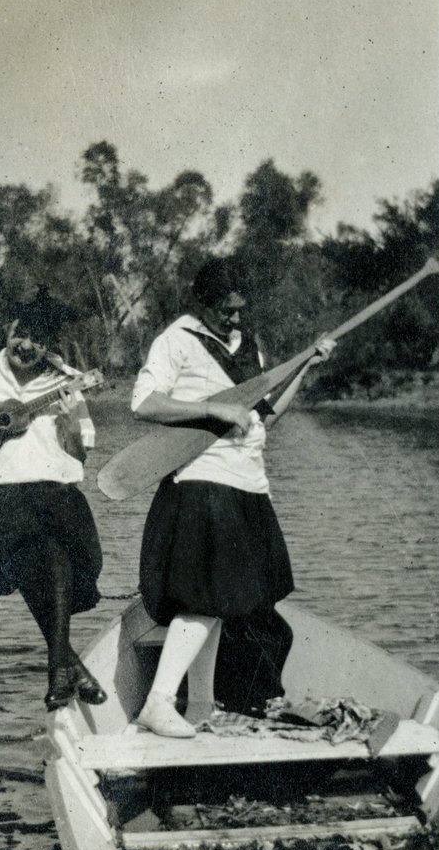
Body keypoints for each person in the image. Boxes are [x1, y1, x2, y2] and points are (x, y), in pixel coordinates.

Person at [131, 256, 335, 738]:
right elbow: (143, 403)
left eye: (241, 309)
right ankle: (158, 702)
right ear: (200, 304)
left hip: (247, 482)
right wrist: (213, 408)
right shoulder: (175, 340)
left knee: (223, 601)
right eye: (226, 310)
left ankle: (200, 705)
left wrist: (306, 366)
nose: (236, 318)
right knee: (205, 598)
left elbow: (265, 414)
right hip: (202, 479)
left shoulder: (248, 346)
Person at [0, 288, 107, 712]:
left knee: (46, 558)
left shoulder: (65, 384)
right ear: (7, 330)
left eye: (38, 340)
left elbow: (81, 454)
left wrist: (68, 423)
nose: (27, 346)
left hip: (57, 496)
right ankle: (65, 666)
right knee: (43, 555)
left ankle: (60, 671)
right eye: (20, 334)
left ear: (49, 345)